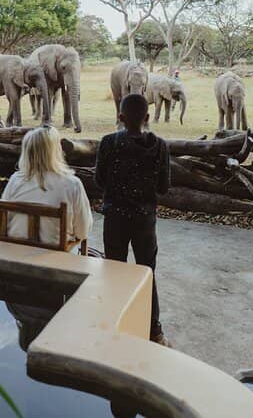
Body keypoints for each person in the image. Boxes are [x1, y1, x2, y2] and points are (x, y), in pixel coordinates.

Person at [94, 93, 171, 347]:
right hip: (144, 220)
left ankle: (113, 324)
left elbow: (99, 180)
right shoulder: (160, 146)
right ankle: (154, 330)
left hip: (115, 218)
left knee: (114, 271)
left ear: (120, 117)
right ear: (147, 118)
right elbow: (163, 188)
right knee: (146, 273)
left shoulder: (108, 143)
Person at [1, 125, 92, 249]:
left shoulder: (15, 180)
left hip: (16, 251)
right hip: (55, 257)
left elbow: (3, 222)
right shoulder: (72, 184)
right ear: (56, 151)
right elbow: (82, 231)